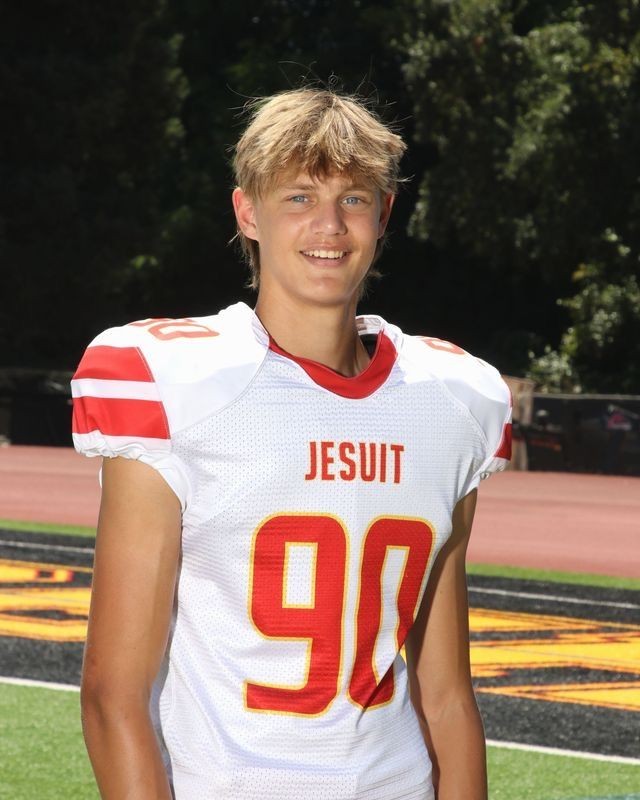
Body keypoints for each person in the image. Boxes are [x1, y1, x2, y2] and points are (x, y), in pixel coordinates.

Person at [71, 88, 512, 800]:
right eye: (300, 198)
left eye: (355, 199)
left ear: (385, 213)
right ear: (248, 212)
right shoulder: (176, 382)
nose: (330, 225)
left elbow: (448, 697)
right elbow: (112, 694)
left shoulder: (453, 400)